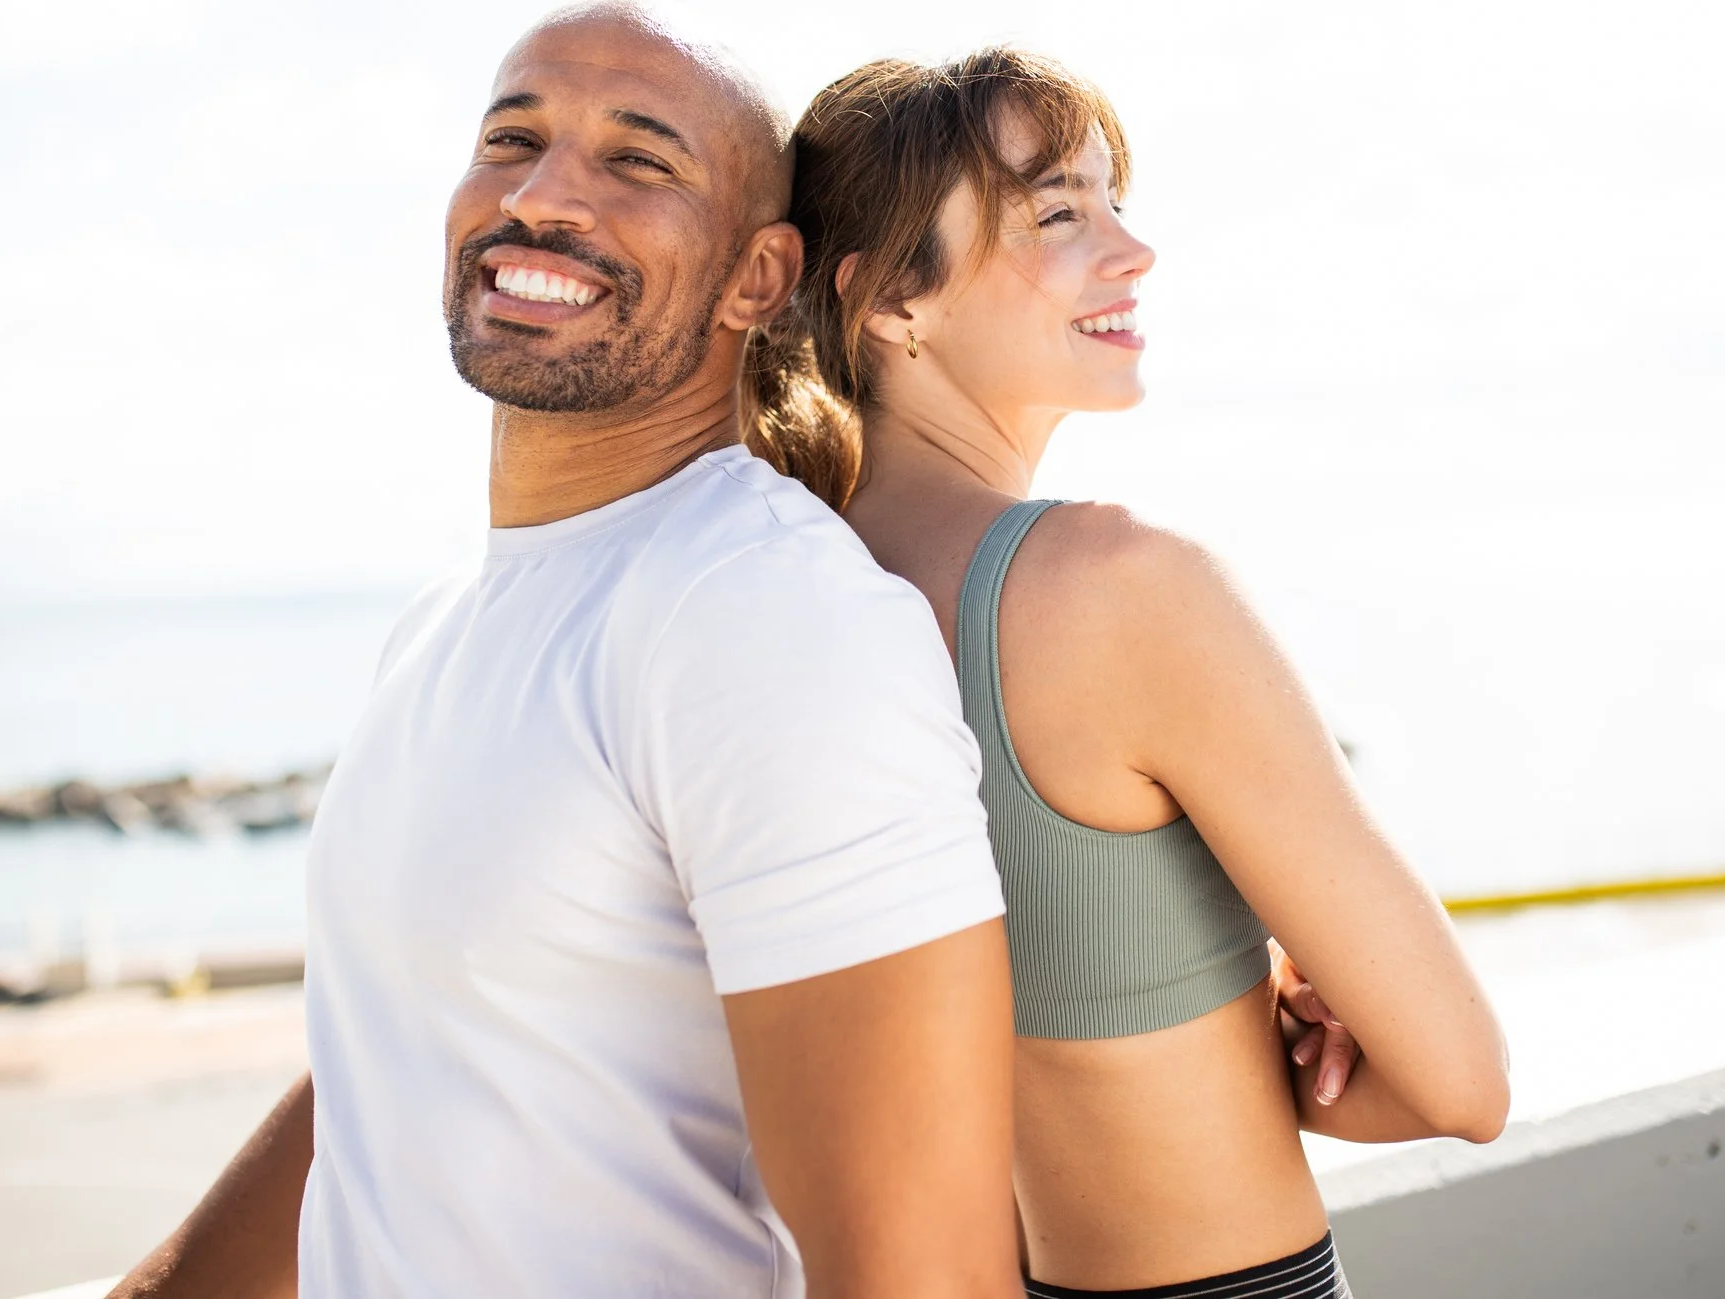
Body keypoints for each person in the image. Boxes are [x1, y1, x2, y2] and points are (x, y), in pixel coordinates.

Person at [108, 8, 1032, 1297]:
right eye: (511, 137)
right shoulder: (446, 623)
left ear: (757, 279)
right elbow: (399, 1065)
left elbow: (917, 1271)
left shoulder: (762, 619)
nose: (541, 197)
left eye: (638, 161)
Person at [741, 49, 1512, 1298]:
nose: (1131, 249)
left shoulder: (785, 600)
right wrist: (1276, 1032)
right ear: (889, 299)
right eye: (1057, 212)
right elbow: (1461, 1086)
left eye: (1112, 198)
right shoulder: (1115, 588)